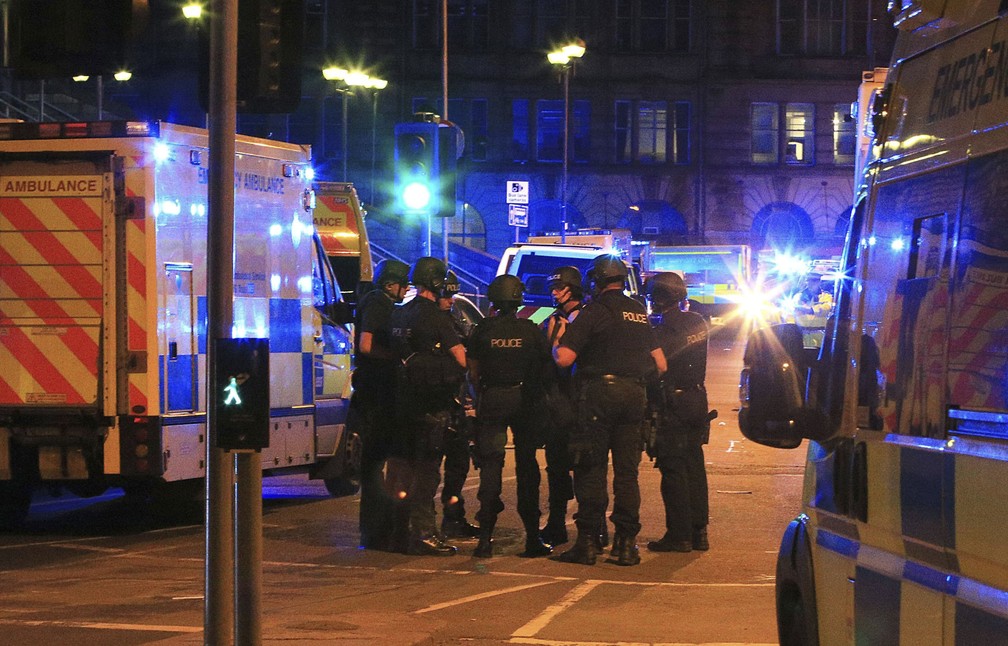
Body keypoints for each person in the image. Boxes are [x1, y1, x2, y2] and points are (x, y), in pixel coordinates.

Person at [552, 254, 667, 566]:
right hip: (634, 395)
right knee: (627, 473)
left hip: (598, 396)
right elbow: (661, 363)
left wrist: (556, 340)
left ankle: (587, 543)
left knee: (591, 467)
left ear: (596, 281)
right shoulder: (638, 311)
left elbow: (564, 358)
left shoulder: (595, 311)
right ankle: (626, 544)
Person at [467, 274, 554, 559]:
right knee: (527, 467)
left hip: (492, 398)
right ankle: (532, 538)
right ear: (518, 299)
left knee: (491, 466)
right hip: (524, 400)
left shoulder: (482, 329)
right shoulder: (530, 330)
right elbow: (545, 368)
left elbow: (473, 370)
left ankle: (485, 540)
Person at [389, 257, 467, 556]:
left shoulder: (399, 313)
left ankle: (398, 532)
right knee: (427, 472)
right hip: (432, 405)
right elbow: (460, 358)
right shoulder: (436, 317)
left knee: (401, 469)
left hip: (401, 402)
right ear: (436, 282)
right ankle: (424, 533)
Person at [644, 272, 712, 553]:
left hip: (674, 403)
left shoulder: (661, 331)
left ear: (660, 299)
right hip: (697, 399)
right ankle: (699, 532)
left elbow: (657, 367)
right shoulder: (698, 321)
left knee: (673, 468)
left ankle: (679, 534)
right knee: (694, 465)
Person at [351, 258, 410, 551]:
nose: (406, 288)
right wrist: (396, 358)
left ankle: (378, 528)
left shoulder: (380, 302)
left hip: (377, 390)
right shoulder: (377, 303)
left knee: (377, 463)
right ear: (390, 285)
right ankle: (374, 531)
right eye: (403, 284)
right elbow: (365, 344)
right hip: (375, 391)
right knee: (375, 463)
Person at [537, 266, 583, 547]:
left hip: (580, 400)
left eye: (559, 287)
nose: (554, 292)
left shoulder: (586, 318)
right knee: (556, 466)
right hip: (558, 402)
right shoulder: (552, 318)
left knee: (586, 467)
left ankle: (592, 525)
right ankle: (556, 523)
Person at [436, 270, 479, 539]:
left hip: (451, 400)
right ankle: (430, 522)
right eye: (447, 294)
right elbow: (463, 359)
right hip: (438, 402)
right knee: (432, 467)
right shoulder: (432, 320)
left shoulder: (449, 318)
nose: (451, 299)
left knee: (458, 463)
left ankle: (452, 517)